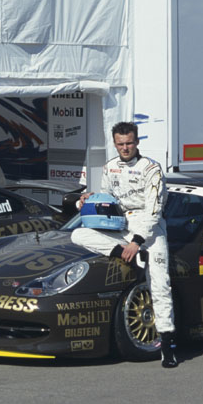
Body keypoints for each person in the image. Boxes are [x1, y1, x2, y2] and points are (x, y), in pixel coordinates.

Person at [74, 121, 178, 368]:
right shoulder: (110, 167)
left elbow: (154, 210)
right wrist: (88, 200)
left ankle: (168, 347)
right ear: (115, 143)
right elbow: (107, 202)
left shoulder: (151, 168)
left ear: (137, 141)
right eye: (120, 144)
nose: (125, 147)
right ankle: (123, 253)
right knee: (77, 235)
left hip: (151, 229)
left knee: (160, 286)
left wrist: (137, 242)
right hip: (121, 225)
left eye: (129, 142)